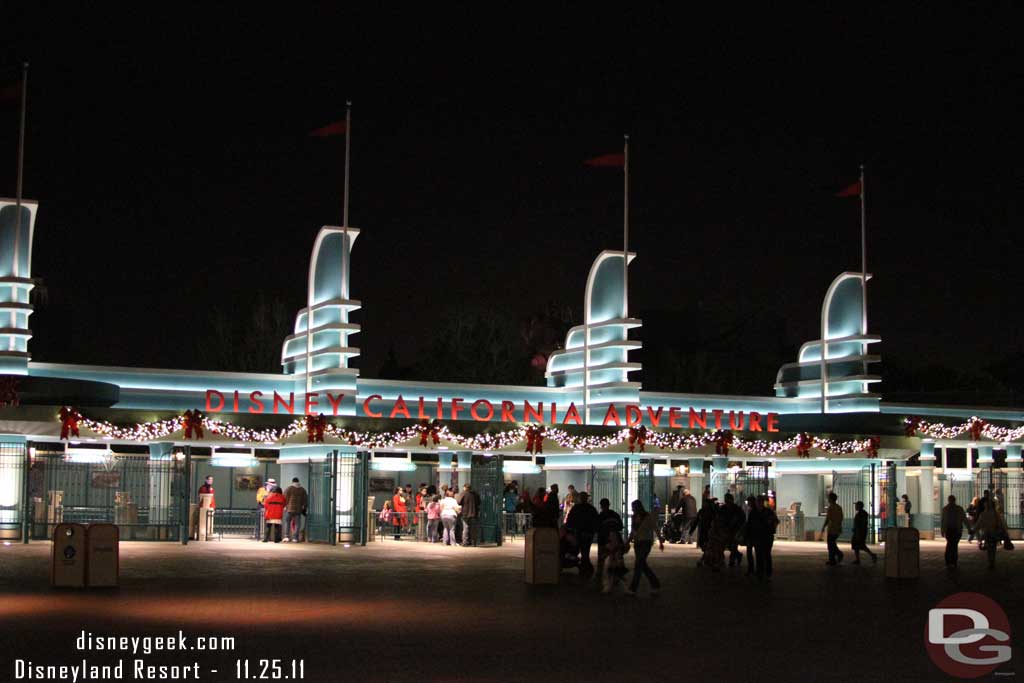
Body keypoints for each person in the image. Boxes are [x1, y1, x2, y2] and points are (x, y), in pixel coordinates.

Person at [626, 500, 663, 596]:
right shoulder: (634, 517)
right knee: (642, 566)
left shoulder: (647, 517)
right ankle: (655, 584)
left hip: (645, 543)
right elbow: (633, 532)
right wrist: (628, 542)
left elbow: (655, 528)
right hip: (638, 543)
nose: (632, 509)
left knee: (638, 565)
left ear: (637, 507)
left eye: (633, 507)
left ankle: (633, 589)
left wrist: (660, 541)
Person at [565, 491, 599, 577]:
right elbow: (595, 520)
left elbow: (570, 520)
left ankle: (584, 568)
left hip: (578, 533)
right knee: (585, 551)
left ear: (580, 498)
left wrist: (569, 528)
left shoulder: (576, 508)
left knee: (578, 550)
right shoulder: (591, 509)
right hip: (588, 534)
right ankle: (585, 569)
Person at [596, 497, 624, 583]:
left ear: (601, 506)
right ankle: (617, 576)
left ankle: (600, 576)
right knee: (617, 558)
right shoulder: (615, 515)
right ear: (609, 505)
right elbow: (620, 526)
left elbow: (597, 528)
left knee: (602, 558)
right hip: (615, 539)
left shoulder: (600, 516)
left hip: (604, 540)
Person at [975, 498, 1008, 569]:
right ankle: (992, 561)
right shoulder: (995, 513)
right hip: (994, 533)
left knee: (989, 548)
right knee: (993, 548)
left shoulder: (983, 514)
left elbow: (978, 524)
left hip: (987, 533)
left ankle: (990, 561)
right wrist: (1004, 530)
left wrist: (973, 530)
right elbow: (1001, 523)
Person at [940, 495, 967, 567]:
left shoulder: (945, 509)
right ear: (955, 500)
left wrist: (942, 530)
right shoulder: (959, 509)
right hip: (957, 530)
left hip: (949, 530)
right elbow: (964, 519)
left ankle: (949, 560)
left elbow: (943, 521)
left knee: (949, 544)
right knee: (954, 545)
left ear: (948, 500)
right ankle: (953, 560)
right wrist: (970, 528)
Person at [720, 493, 745, 568]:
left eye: (727, 498)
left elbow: (742, 518)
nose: (726, 500)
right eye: (725, 498)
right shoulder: (723, 508)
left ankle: (732, 561)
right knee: (727, 546)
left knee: (733, 546)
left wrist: (739, 527)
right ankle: (737, 555)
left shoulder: (736, 508)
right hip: (726, 529)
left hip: (734, 530)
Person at [283, 477, 308, 543]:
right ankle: (295, 538)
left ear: (292, 482)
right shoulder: (303, 490)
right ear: (298, 482)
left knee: (287, 522)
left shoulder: (289, 489)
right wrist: (304, 507)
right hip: (298, 510)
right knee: (297, 524)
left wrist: (285, 506)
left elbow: (284, 498)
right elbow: (305, 500)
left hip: (289, 509)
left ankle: (286, 537)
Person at [823, 492, 844, 565]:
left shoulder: (831, 508)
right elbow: (841, 518)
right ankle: (833, 558)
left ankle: (837, 555)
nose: (828, 499)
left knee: (830, 545)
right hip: (837, 528)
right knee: (832, 544)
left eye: (829, 498)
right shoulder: (839, 507)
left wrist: (823, 526)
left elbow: (828, 518)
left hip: (832, 529)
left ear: (831, 499)